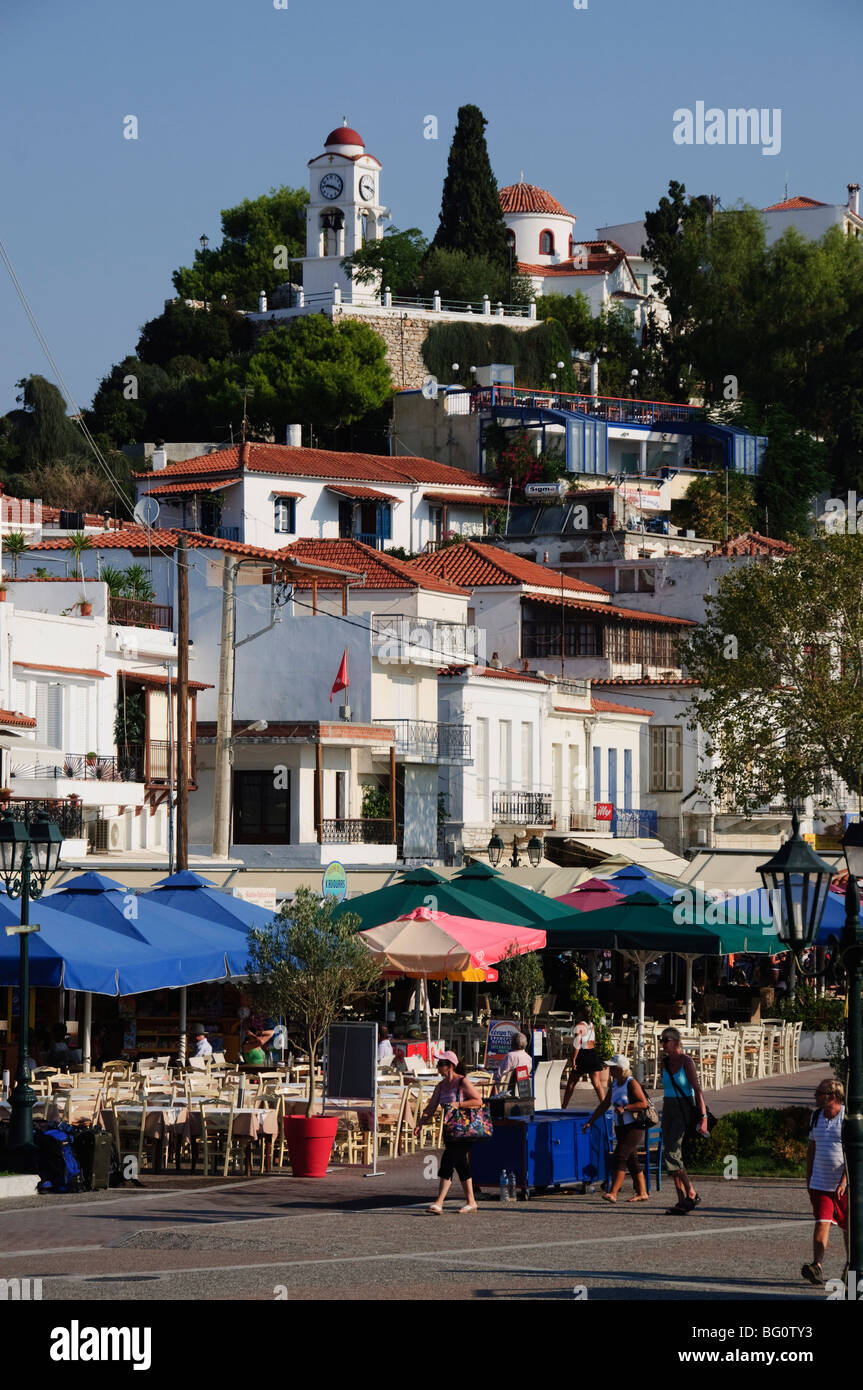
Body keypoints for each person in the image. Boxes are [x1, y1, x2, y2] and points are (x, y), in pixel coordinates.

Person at [416, 1051, 483, 1214]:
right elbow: (431, 1107)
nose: (438, 1067)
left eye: (441, 1064)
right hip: (449, 1130)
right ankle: (472, 1201)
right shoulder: (441, 1086)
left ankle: (439, 1202)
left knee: (448, 1160)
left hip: (464, 1130)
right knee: (461, 1165)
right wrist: (420, 1123)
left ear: (450, 1066)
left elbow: (478, 1100)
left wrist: (458, 1104)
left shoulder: (462, 1081)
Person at [582, 1054, 649, 1202]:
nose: (609, 1070)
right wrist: (590, 1121)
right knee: (632, 1160)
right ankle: (643, 1193)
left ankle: (613, 1192)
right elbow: (604, 1105)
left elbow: (643, 1104)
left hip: (634, 1127)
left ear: (620, 1069)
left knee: (620, 1156)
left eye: (612, 1068)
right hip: (620, 1127)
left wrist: (626, 1107)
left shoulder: (631, 1083)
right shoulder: (615, 1084)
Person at [801, 1079, 847, 1286]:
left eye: (819, 1093)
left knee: (849, 1228)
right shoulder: (816, 1116)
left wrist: (845, 1180)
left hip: (844, 1185)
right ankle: (817, 1266)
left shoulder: (847, 1118)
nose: (815, 1097)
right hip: (820, 1182)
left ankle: (851, 1264)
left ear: (832, 1096)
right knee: (821, 1223)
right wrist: (808, 1177)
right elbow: (811, 1148)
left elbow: (854, 1153)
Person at [660, 1027, 708, 1214]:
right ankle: (681, 1200)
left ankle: (691, 1192)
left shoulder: (686, 1061)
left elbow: (697, 1090)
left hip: (683, 1109)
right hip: (668, 1107)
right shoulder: (665, 1062)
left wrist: (703, 1117)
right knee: (670, 1151)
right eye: (661, 1040)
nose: (663, 1044)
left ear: (676, 1041)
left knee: (672, 1152)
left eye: (666, 1040)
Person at [561, 1006, 608, 1107]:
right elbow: (594, 1041)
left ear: (581, 1014)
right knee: (597, 1084)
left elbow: (577, 1044)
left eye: (578, 1013)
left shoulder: (579, 1026)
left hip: (583, 1054)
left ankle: (563, 1107)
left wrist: (573, 1059)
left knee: (571, 1083)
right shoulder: (591, 1025)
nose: (577, 1015)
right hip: (592, 1053)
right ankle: (604, 1106)